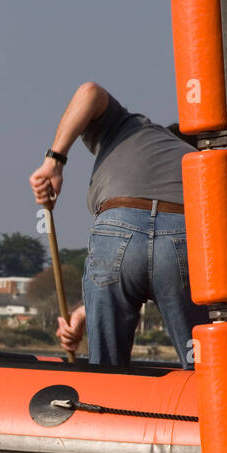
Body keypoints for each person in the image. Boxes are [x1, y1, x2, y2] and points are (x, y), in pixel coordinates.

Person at [29, 82, 209, 367]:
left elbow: (89, 91)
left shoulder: (130, 128)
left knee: (106, 375)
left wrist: (54, 162)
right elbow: (154, 254)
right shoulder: (204, 161)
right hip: (183, 234)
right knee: (203, 370)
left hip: (117, 229)